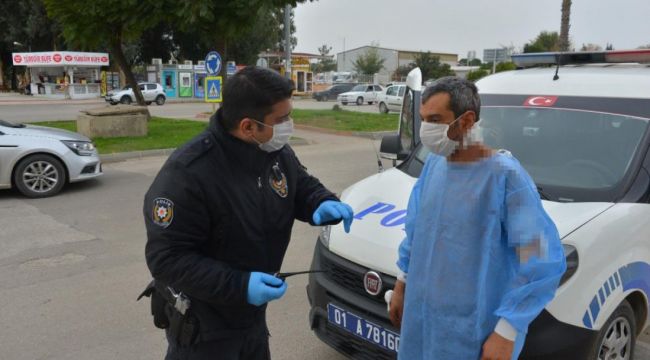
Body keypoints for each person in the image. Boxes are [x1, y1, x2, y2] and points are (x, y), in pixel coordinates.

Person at [143, 66, 354, 360]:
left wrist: (319, 201)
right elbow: (166, 259)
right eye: (281, 119)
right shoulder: (188, 174)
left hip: (251, 321)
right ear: (247, 127)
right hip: (203, 329)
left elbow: (299, 185)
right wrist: (240, 285)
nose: (289, 125)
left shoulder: (272, 150)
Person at [388, 77, 566, 360]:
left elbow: (541, 262)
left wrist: (507, 331)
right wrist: (402, 283)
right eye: (423, 120)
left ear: (467, 120)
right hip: (422, 323)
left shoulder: (505, 178)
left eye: (435, 119)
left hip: (474, 334)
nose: (426, 130)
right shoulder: (435, 165)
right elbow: (417, 232)